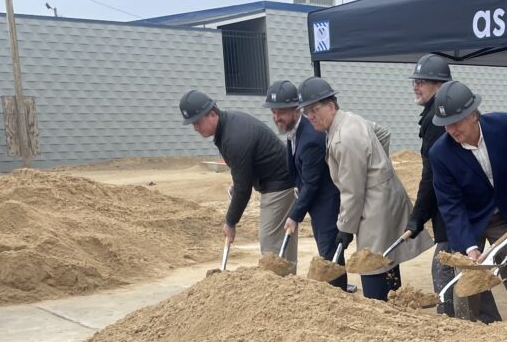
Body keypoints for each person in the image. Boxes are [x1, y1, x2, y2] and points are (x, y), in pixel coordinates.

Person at [295, 77, 432, 300]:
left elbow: (352, 191)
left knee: (372, 264)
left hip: (375, 205)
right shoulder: (350, 119)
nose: (310, 116)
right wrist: (379, 168)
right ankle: (394, 303)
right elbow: (383, 133)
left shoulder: (344, 138)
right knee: (387, 257)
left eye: (314, 110)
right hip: (384, 196)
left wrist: (344, 229)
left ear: (330, 106)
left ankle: (382, 309)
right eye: (306, 111)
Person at [428, 80, 507, 325]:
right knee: (467, 284)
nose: (451, 131)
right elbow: (451, 205)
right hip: (470, 221)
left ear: (473, 115)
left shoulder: (503, 125)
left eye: (456, 123)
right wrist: (469, 248)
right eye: (446, 126)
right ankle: (471, 334)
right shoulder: (440, 153)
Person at [180, 89, 296, 268]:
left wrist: (230, 222)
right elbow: (242, 176)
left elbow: (243, 190)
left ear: (212, 114)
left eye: (197, 122)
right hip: (277, 180)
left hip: (279, 184)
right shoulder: (228, 127)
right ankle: (289, 286)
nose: (195, 128)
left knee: (270, 244)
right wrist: (238, 184)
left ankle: (281, 289)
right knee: (279, 241)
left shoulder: (233, 137)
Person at [263, 80, 346, 290]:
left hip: (327, 202)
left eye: (280, 112)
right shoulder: (293, 131)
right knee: (325, 249)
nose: (276, 117)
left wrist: (294, 215)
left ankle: (338, 295)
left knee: (329, 256)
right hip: (316, 203)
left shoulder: (311, 138)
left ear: (295, 110)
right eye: (273, 112)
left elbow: (311, 183)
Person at [403, 54, 457, 314]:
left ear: (440, 85)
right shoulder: (434, 112)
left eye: (422, 81)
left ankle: (452, 325)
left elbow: (431, 175)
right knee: (454, 270)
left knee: (444, 270)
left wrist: (417, 218)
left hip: (451, 207)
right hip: (448, 208)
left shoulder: (439, 117)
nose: (416, 85)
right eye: (416, 80)